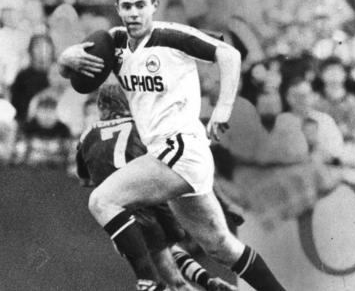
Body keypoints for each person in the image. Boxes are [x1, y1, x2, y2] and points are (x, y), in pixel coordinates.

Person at [58, 0, 285, 291]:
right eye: (126, 6)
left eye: (140, 5)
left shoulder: (171, 35)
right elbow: (74, 73)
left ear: (154, 5)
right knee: (220, 246)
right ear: (118, 8)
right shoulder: (115, 42)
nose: (133, 13)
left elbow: (229, 54)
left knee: (102, 201)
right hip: (169, 154)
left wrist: (222, 107)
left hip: (181, 148)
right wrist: (65, 58)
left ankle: (147, 282)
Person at [76, 84, 237, 291]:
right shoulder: (143, 129)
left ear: (101, 106)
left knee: (169, 269)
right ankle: (206, 283)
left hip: (119, 219)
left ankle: (202, 283)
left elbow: (86, 179)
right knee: (167, 254)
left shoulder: (87, 134)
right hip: (150, 207)